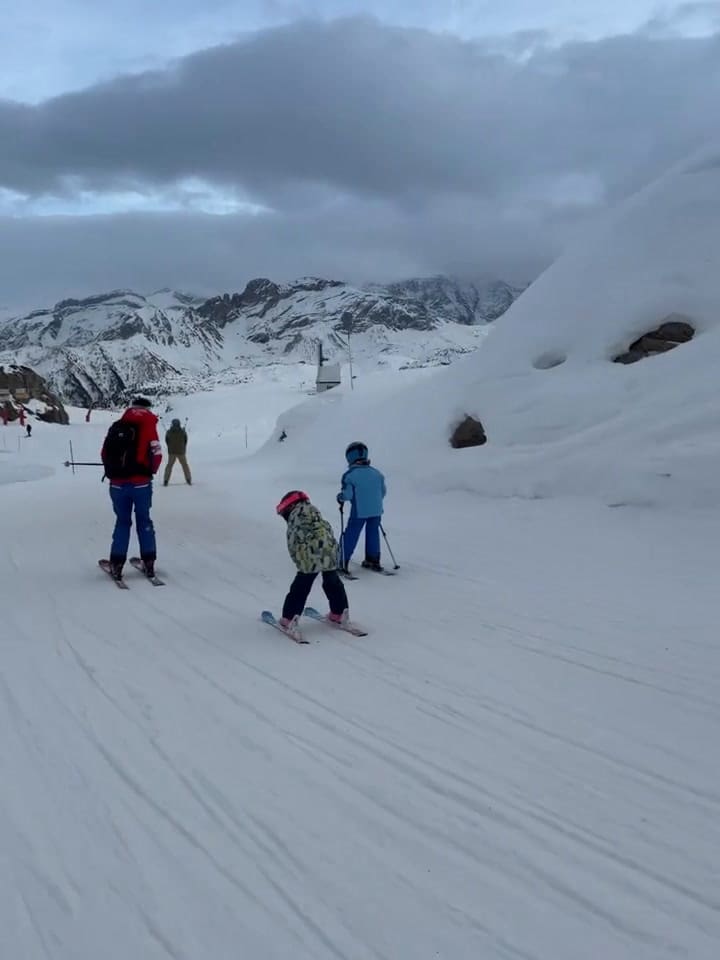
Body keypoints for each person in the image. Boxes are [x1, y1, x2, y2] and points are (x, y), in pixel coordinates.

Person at [101, 396, 162, 581]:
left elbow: (104, 453)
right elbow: (157, 454)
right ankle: (149, 562)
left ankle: (117, 564)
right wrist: (148, 470)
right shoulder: (150, 425)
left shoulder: (117, 424)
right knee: (144, 521)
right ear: (148, 408)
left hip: (118, 484)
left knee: (122, 522)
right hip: (141, 483)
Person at [276, 490, 349, 632]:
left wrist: (300, 562)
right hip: (329, 554)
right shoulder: (315, 513)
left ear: (289, 507)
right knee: (332, 582)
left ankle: (289, 618)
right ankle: (339, 613)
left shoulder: (295, 518)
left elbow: (293, 544)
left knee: (300, 587)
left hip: (310, 557)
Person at [337, 441, 387, 572]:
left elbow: (347, 495)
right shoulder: (377, 473)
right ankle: (373, 560)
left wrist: (340, 497)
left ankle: (342, 561)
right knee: (373, 532)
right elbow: (383, 492)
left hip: (360, 511)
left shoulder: (350, 475)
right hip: (376, 510)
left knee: (351, 534)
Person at [163, 418, 192, 486]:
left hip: (171, 452)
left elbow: (167, 441)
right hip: (181, 452)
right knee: (185, 466)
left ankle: (166, 480)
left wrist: (170, 447)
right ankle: (188, 479)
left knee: (169, 466)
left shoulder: (169, 432)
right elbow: (185, 441)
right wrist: (183, 447)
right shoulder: (183, 432)